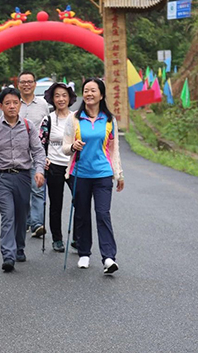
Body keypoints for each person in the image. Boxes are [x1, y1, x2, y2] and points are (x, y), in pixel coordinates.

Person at [62, 77, 124, 273]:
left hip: (103, 173)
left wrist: (119, 174)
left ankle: (108, 258)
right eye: (86, 90)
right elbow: (65, 147)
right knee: (81, 214)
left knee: (103, 214)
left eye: (93, 90)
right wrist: (73, 146)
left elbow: (114, 150)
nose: (89, 94)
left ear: (102, 95)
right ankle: (84, 253)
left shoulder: (109, 119)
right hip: (79, 173)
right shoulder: (74, 118)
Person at [0, 88, 45, 272]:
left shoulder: (28, 126)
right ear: (0, 106)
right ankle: (8, 255)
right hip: (1, 176)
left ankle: (19, 247)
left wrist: (40, 171)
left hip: (23, 176)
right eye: (7, 103)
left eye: (15, 102)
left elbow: (37, 151)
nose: (12, 106)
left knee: (21, 215)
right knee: (8, 215)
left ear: (20, 104)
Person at [39, 82, 77, 252]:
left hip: (74, 166)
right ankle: (57, 239)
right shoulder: (48, 119)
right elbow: (40, 143)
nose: (61, 99)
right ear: (52, 99)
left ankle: (78, 237)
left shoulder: (77, 118)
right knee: (56, 204)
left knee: (80, 203)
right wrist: (43, 159)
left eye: (64, 95)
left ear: (69, 98)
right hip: (54, 166)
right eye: (57, 96)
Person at [17, 71, 49, 238]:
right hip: (18, 157)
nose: (26, 85)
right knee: (23, 193)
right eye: (23, 82)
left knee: (38, 189)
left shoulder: (43, 104)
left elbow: (48, 130)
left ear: (35, 84)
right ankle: (28, 220)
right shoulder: (14, 103)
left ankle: (37, 223)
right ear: (18, 84)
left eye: (30, 81)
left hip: (38, 155)